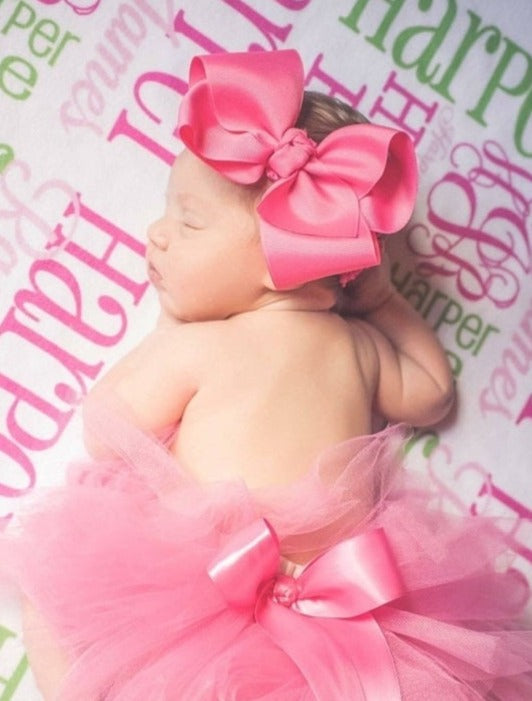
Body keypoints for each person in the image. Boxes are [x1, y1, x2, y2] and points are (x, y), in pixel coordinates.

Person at [2, 50, 531, 700]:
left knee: (48, 604)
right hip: (340, 609)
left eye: (189, 221)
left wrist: (168, 329)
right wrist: (386, 298)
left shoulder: (205, 346)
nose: (157, 233)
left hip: (195, 593)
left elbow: (106, 428)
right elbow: (433, 392)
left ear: (282, 259)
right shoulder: (360, 348)